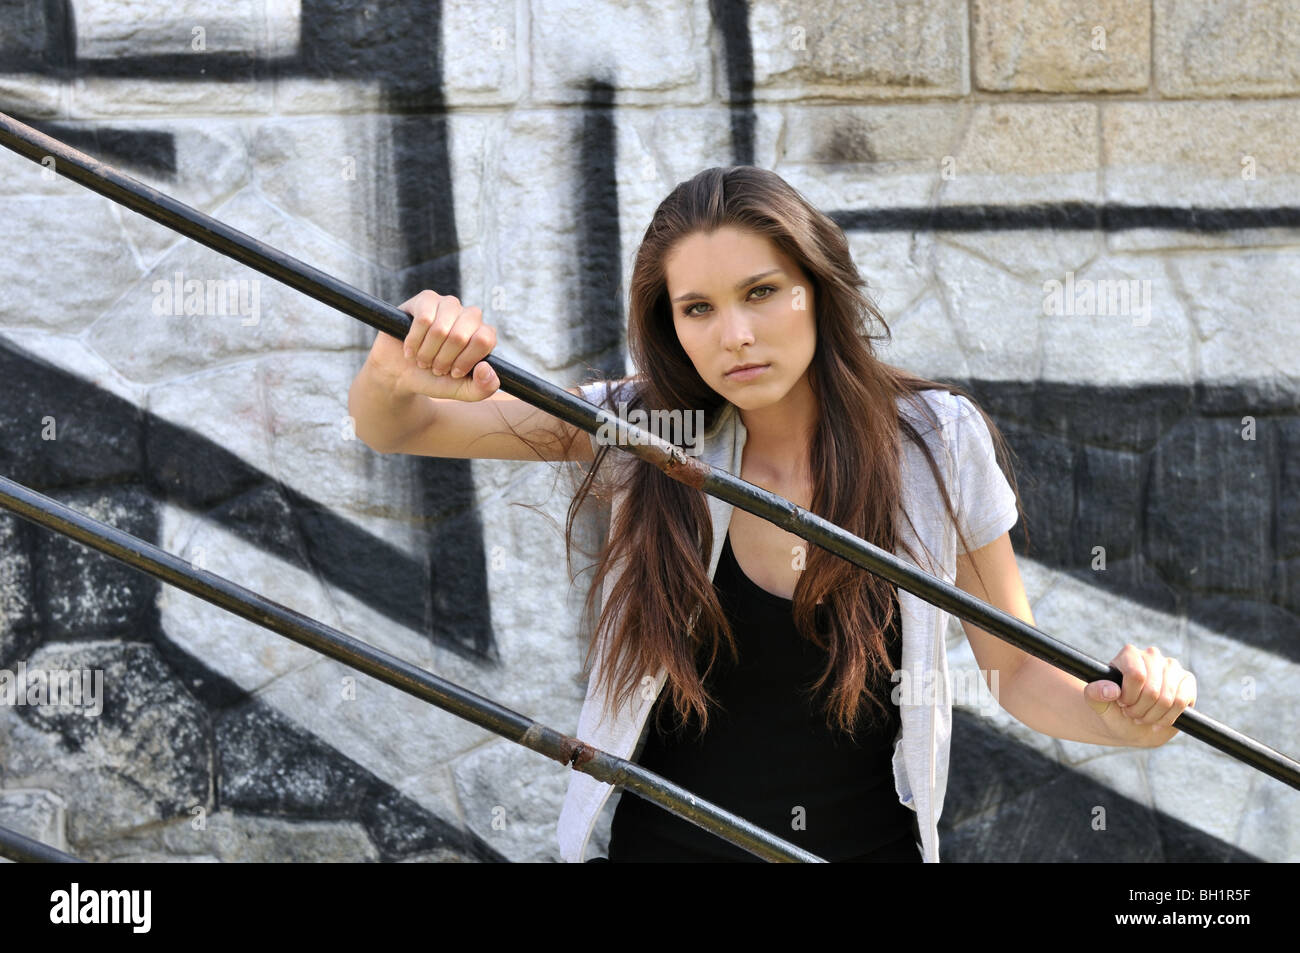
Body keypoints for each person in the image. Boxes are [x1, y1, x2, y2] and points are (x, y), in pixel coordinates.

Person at [347, 166, 1197, 863]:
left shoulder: (936, 443)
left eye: (763, 292)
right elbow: (403, 425)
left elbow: (1014, 670)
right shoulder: (648, 428)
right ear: (670, 326)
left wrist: (1116, 716)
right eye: (700, 309)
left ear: (818, 290)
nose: (736, 335)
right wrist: (400, 360)